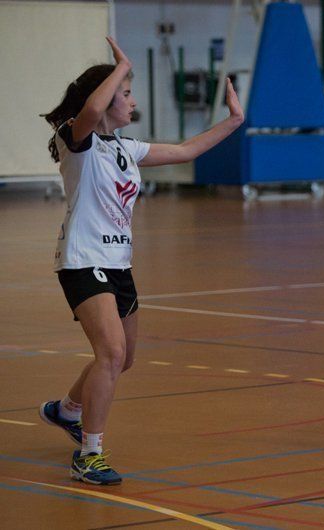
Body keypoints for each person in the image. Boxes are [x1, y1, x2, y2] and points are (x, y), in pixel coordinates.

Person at [38, 37, 244, 485]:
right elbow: (90, 113)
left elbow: (187, 150)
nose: (133, 100)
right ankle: (89, 455)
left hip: (119, 263)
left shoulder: (125, 149)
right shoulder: (78, 139)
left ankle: (67, 410)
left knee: (123, 358)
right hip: (81, 260)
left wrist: (234, 120)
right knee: (109, 353)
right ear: (108, 98)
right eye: (127, 93)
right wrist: (122, 65)